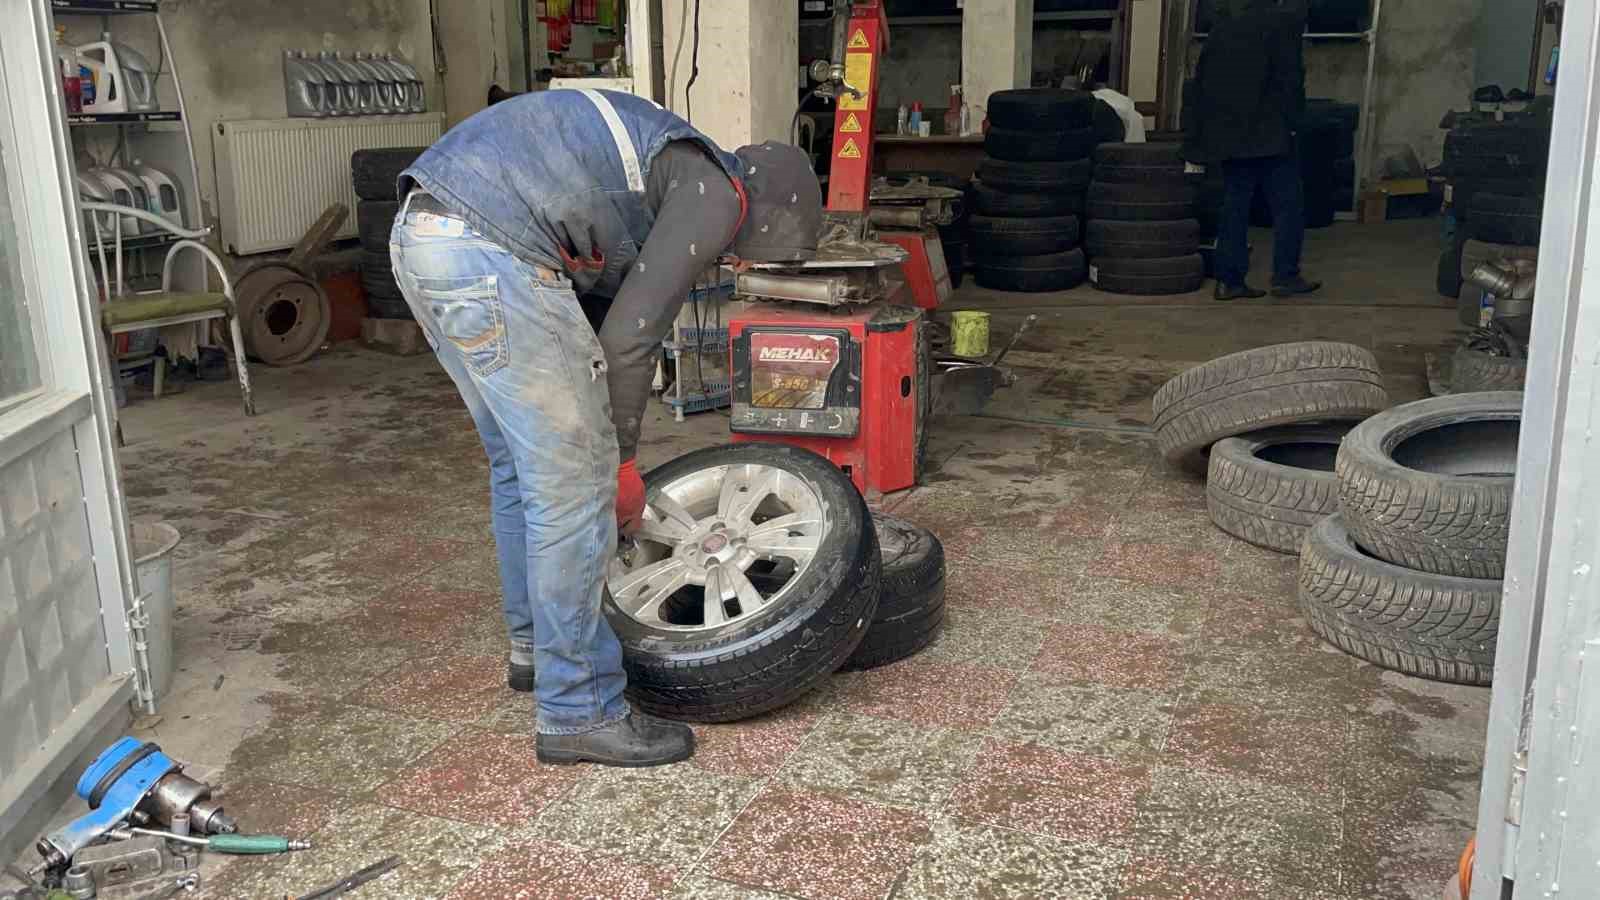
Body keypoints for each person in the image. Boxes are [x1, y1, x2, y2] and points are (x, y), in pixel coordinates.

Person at [391, 89, 822, 767]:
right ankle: (578, 708)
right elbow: (629, 340)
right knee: (575, 487)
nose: (733, 266)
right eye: (745, 258)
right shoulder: (719, 192)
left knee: (520, 465)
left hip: (424, 235)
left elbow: (591, 323)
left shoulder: (671, 170)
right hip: (492, 250)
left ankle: (537, 650)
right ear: (767, 216)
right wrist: (618, 464)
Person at [1184, 0, 1322, 301]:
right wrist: (1296, 121)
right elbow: (1290, 79)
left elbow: (1202, 80)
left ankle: (1228, 280)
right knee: (1289, 204)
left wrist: (1200, 135)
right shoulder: (1283, 23)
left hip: (1230, 132)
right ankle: (1286, 275)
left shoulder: (1223, 25)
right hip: (1270, 132)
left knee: (1234, 205)